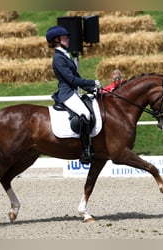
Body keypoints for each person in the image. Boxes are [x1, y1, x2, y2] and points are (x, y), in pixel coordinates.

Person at [46, 25, 101, 164]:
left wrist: (90, 88)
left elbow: (76, 76)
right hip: (67, 93)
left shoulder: (65, 55)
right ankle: (85, 150)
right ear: (57, 40)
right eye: (65, 37)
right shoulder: (58, 58)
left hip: (74, 91)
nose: (68, 39)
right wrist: (92, 82)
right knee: (85, 114)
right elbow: (70, 79)